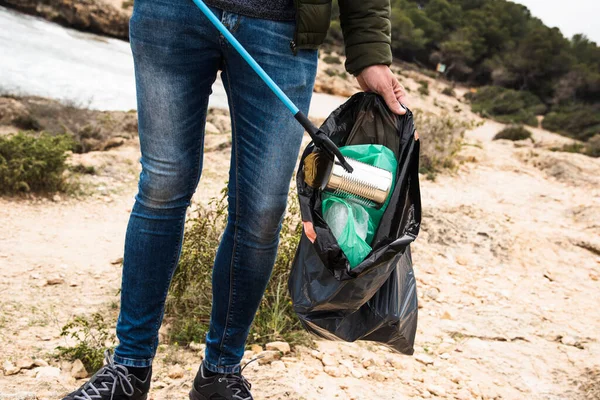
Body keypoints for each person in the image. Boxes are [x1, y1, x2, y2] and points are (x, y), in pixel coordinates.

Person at [62, 0, 408, 399]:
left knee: (261, 211)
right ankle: (129, 368)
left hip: (281, 30)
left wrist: (370, 53)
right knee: (162, 188)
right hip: (173, 12)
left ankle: (220, 374)